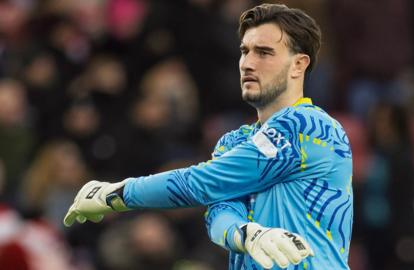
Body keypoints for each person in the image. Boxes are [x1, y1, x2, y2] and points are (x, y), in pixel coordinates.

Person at [64, 4, 353, 269]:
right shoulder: (234, 142)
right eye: (245, 51)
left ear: (299, 65)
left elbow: (203, 183)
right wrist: (246, 234)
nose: (248, 63)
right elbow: (219, 214)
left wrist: (117, 194)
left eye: (264, 52)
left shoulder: (312, 128)